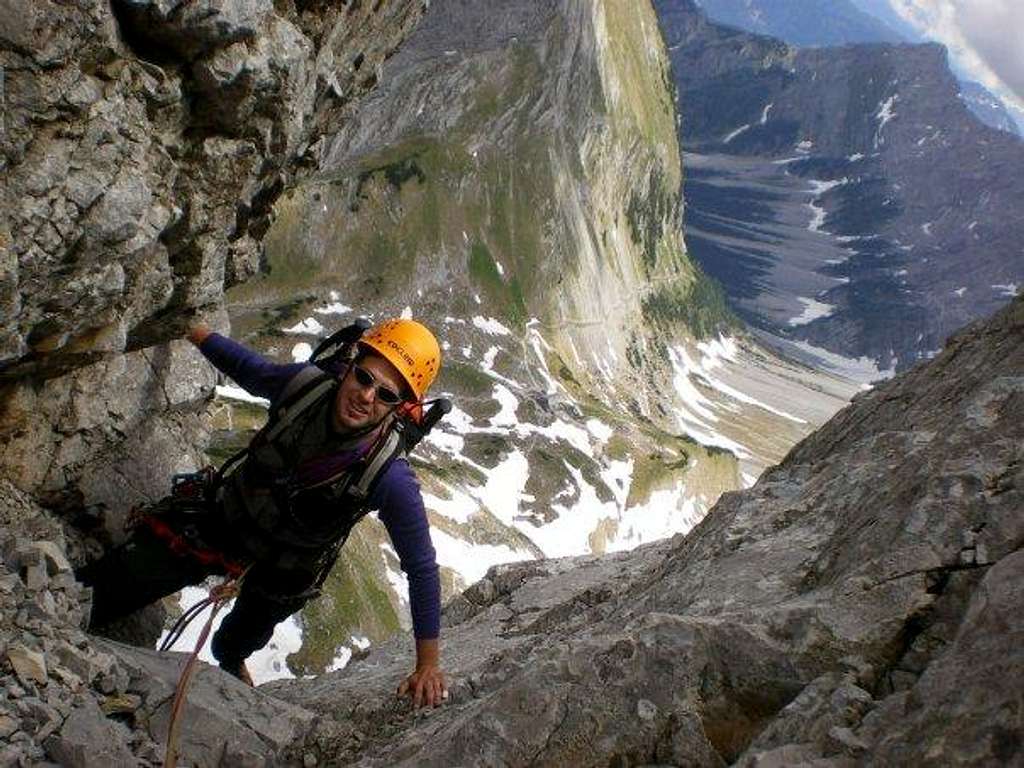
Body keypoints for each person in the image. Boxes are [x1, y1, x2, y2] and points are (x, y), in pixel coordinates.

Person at [77, 317, 447, 707]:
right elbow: (248, 369)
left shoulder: (389, 476)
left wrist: (428, 665)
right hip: (223, 521)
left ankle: (231, 657)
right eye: (364, 377)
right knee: (109, 587)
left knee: (240, 638)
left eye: (386, 395)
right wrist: (192, 328)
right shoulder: (305, 389)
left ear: (401, 406)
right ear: (350, 365)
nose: (366, 396)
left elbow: (421, 566)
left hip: (284, 570)